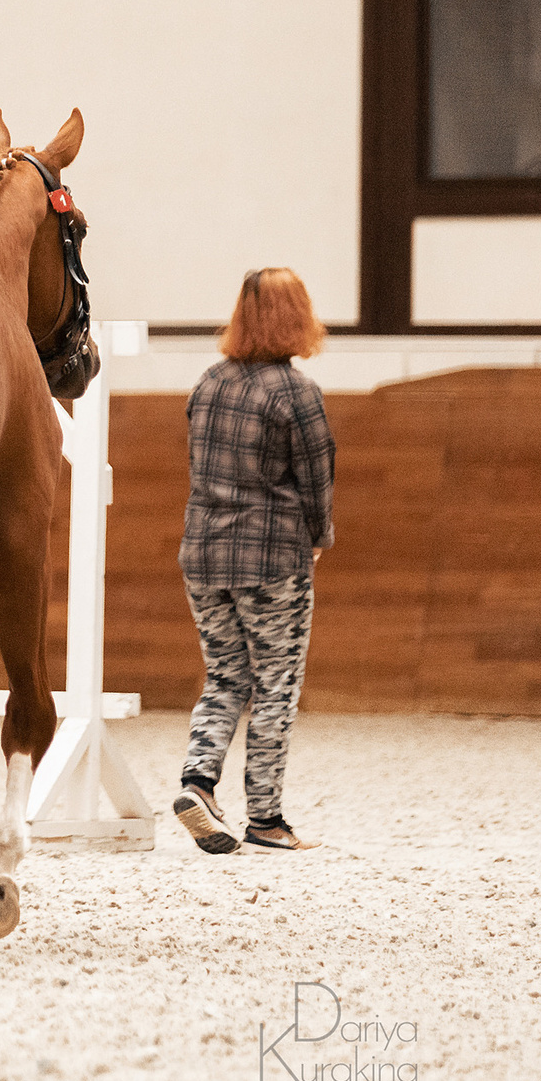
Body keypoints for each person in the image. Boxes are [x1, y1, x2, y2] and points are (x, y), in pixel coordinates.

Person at [171, 267, 334, 856]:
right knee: (276, 685)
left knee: (224, 676)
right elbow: (317, 481)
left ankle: (198, 782)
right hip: (271, 557)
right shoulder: (297, 394)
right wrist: (318, 537)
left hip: (202, 554)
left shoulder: (209, 382)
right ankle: (265, 818)